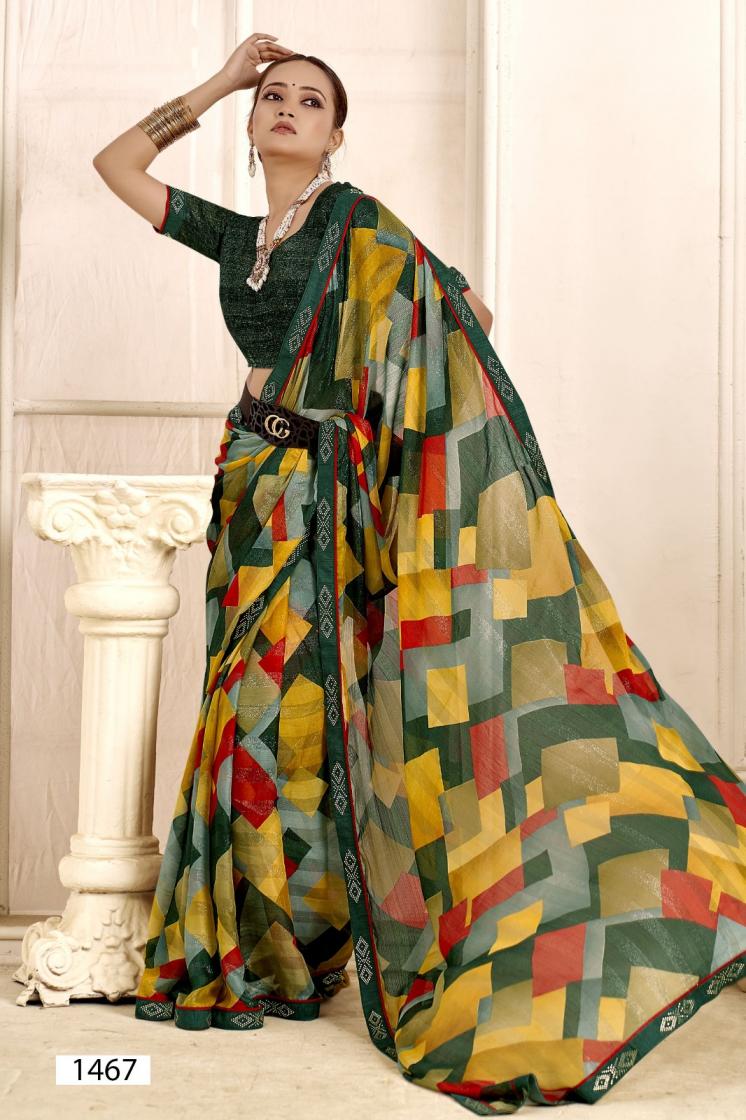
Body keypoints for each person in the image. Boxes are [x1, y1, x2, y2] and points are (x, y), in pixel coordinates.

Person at [92, 33, 746, 1116]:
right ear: (253, 125)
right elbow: (116, 165)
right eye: (274, 97)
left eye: (310, 101)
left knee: (297, 708)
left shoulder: (362, 227)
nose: (287, 108)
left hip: (325, 500)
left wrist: (360, 420)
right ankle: (274, 945)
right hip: (250, 489)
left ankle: (304, 940)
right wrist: (217, 81)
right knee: (247, 708)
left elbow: (464, 318)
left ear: (336, 135)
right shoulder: (237, 237)